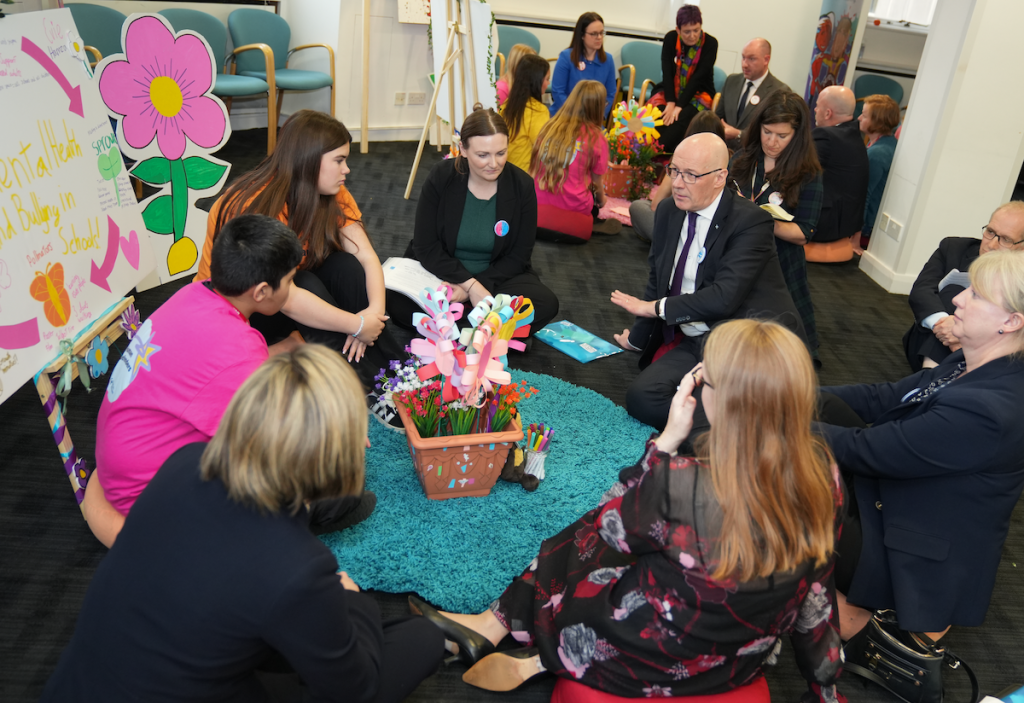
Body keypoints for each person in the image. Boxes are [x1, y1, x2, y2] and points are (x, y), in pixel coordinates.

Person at [406, 320, 846, 701]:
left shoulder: (682, 481)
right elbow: (817, 598)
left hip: (636, 654)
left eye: (702, 376)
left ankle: (520, 637)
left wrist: (664, 443)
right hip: (732, 664)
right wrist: (823, 684)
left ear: (719, 401)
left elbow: (605, 527)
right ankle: (503, 632)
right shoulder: (824, 477)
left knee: (577, 539)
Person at [43, 345, 446, 702]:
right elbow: (354, 688)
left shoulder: (184, 463)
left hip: (78, 686)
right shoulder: (300, 570)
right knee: (421, 639)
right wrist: (352, 598)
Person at [85, 215, 374, 548]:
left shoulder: (193, 294)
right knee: (338, 483)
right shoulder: (237, 352)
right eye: (291, 281)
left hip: (127, 465)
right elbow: (275, 443)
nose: (293, 289)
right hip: (151, 499)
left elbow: (221, 376)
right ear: (263, 292)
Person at [818, 250, 1024, 651]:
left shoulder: (988, 410)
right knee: (818, 408)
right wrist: (783, 391)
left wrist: (769, 418)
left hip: (907, 550)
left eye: (977, 296)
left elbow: (870, 450)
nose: (958, 300)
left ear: (1012, 322)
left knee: (780, 493)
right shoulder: (973, 361)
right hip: (899, 498)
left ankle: (861, 624)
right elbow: (886, 396)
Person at [609, 132, 805, 431]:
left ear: (719, 177)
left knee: (735, 399)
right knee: (641, 398)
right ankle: (738, 423)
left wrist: (654, 309)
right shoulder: (668, 211)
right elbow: (658, 279)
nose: (676, 183)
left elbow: (724, 297)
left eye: (690, 175)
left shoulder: (750, 222)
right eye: (674, 171)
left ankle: (741, 426)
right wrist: (637, 338)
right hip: (698, 338)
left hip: (747, 339)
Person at [196, 109, 398, 392]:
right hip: (235, 317)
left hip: (284, 300)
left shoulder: (332, 191)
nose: (347, 169)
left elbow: (366, 255)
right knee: (304, 282)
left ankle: (399, 370)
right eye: (339, 161)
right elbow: (285, 297)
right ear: (310, 161)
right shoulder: (255, 206)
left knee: (344, 266)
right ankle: (361, 386)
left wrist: (373, 315)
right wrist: (356, 324)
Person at [389, 106, 559, 333]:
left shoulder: (521, 186)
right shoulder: (441, 177)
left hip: (497, 278)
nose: (494, 163)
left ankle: (453, 330)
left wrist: (479, 287)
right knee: (394, 301)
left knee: (545, 303)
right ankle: (485, 330)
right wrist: (468, 285)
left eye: (501, 153)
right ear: (463, 150)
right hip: (441, 274)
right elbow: (425, 246)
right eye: (483, 155)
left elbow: (519, 256)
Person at [729, 90, 823, 358]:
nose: (772, 142)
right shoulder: (743, 159)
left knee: (776, 350)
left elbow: (804, 233)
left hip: (779, 262)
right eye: (767, 132)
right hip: (735, 253)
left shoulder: (808, 174)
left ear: (797, 135)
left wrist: (760, 219)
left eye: (782, 136)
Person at [902, 202, 1024, 371]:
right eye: (990, 232)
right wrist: (948, 326)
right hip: (927, 341)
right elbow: (921, 292)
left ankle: (929, 382)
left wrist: (965, 332)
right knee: (954, 292)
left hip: (992, 353)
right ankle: (931, 379)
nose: (991, 245)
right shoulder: (954, 249)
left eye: (1006, 239)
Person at [533, 80, 618, 242]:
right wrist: (602, 200)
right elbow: (597, 184)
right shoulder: (597, 138)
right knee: (593, 204)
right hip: (575, 225)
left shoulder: (547, 127)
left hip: (535, 215)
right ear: (598, 107)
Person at [628, 110, 724, 244]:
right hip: (715, 233)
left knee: (639, 206)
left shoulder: (682, 159)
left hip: (681, 229)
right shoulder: (729, 160)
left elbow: (656, 205)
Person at [808, 85, 869, 253]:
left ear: (828, 113)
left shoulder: (825, 135)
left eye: (818, 105)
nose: (814, 109)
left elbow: (796, 169)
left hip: (824, 225)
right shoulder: (854, 134)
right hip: (846, 224)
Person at [653, 4, 719, 153]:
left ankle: (658, 152)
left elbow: (698, 78)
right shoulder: (671, 38)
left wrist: (679, 106)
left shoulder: (710, 43)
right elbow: (667, 70)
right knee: (660, 113)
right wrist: (670, 102)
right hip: (672, 90)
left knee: (682, 118)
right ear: (678, 30)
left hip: (699, 93)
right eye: (687, 32)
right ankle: (650, 152)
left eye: (696, 30)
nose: (692, 35)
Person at [715, 38, 791, 149]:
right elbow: (718, 117)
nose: (745, 64)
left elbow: (774, 132)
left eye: (751, 59)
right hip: (724, 150)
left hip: (753, 155)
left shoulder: (779, 91)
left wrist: (738, 134)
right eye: (743, 57)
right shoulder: (732, 81)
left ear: (766, 59)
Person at [550, 12, 617, 118]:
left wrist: (598, 115)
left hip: (592, 120)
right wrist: (574, 115)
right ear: (582, 35)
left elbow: (610, 94)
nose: (599, 37)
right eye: (594, 34)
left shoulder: (608, 60)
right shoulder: (566, 57)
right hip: (565, 117)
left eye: (601, 33)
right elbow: (558, 92)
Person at [856, 94, 900, 254]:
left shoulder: (877, 153)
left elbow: (864, 195)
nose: (859, 117)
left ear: (878, 121)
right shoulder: (886, 144)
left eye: (865, 115)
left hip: (866, 229)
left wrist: (855, 237)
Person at [501, 54, 550, 173]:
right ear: (537, 81)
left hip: (504, 172)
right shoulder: (539, 110)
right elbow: (545, 148)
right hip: (526, 177)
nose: (548, 84)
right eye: (547, 79)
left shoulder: (507, 105)